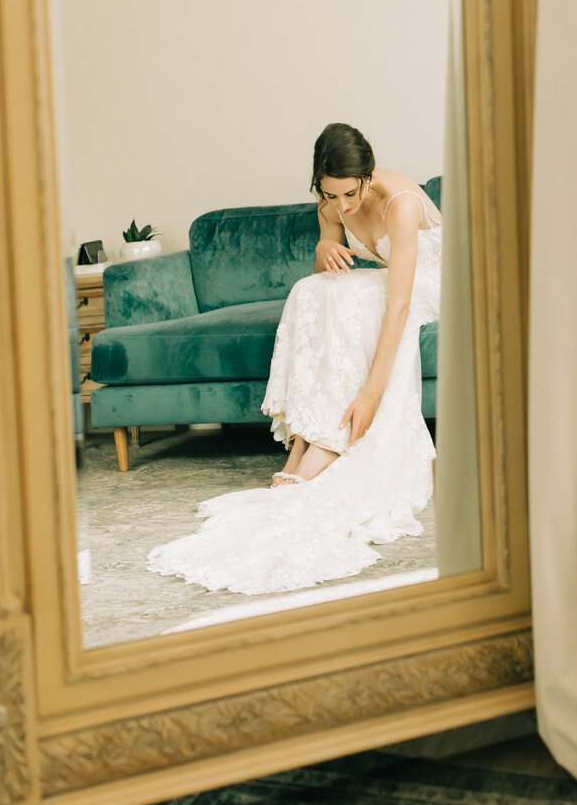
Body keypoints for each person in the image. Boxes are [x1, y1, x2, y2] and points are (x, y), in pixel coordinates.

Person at [147, 123, 441, 596]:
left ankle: (332, 437)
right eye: (330, 195)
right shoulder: (330, 202)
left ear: (367, 176)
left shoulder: (400, 204)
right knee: (309, 291)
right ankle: (306, 436)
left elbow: (401, 302)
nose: (342, 207)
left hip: (433, 282)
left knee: (357, 301)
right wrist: (325, 245)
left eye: (350, 194)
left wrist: (371, 393)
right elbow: (321, 273)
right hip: (392, 282)